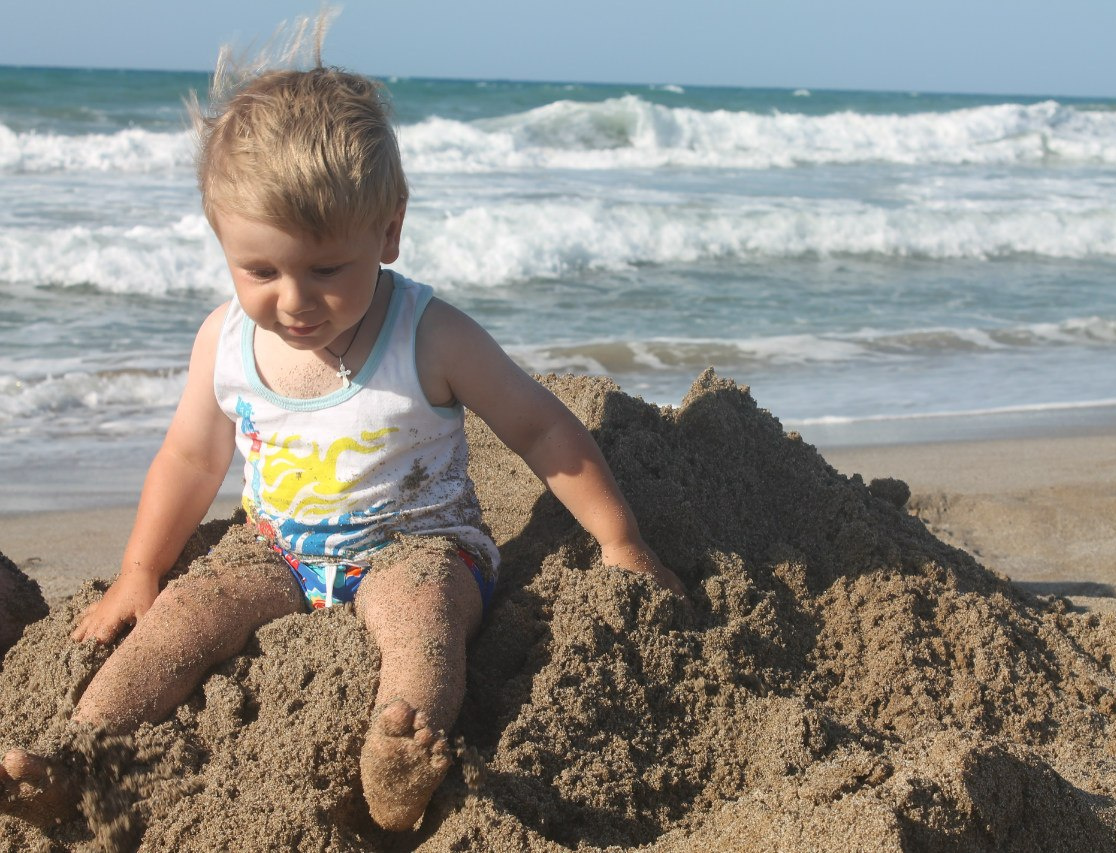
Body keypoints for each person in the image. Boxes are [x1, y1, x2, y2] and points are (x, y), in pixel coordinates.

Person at [0, 30, 685, 833]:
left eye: (325, 270)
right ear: (223, 241)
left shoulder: (430, 335)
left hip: (419, 543)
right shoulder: (224, 340)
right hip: (278, 547)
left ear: (387, 234)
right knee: (177, 623)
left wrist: (621, 538)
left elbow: (539, 428)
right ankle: (77, 756)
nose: (293, 300)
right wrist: (138, 571)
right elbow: (190, 456)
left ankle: (397, 760)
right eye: (260, 270)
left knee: (422, 623)